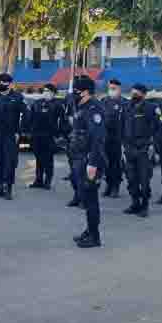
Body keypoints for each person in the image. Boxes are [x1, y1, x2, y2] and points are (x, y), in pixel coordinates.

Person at [69, 75, 107, 248]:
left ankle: (95, 236)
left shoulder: (94, 109)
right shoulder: (81, 106)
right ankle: (90, 230)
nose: (73, 94)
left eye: (76, 91)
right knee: (85, 197)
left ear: (85, 92)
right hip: (79, 157)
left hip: (89, 160)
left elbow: (98, 139)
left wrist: (93, 164)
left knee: (91, 199)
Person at [121, 84, 162, 218]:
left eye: (137, 93)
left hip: (145, 148)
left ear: (144, 95)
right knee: (131, 179)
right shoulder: (126, 107)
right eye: (133, 92)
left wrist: (153, 145)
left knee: (144, 180)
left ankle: (144, 206)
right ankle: (135, 203)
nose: (134, 95)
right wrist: (121, 146)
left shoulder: (152, 108)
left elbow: (161, 128)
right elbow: (120, 128)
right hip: (129, 148)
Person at [0, 73, 27, 200]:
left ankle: (8, 188)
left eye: (5, 83)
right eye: (1, 82)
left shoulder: (17, 97)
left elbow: (26, 115)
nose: (2, 84)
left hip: (10, 135)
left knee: (9, 163)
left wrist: (19, 132)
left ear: (10, 84)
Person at [26, 83, 64, 190]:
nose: (46, 93)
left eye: (48, 91)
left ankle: (48, 181)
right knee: (38, 159)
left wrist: (60, 135)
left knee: (48, 159)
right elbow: (30, 118)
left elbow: (62, 121)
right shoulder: (37, 103)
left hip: (50, 135)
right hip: (37, 135)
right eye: (45, 91)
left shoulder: (58, 105)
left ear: (53, 93)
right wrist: (29, 132)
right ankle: (38, 180)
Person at [102, 79, 127, 198]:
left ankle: (115, 186)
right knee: (106, 163)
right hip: (106, 137)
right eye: (110, 88)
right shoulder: (104, 101)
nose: (111, 90)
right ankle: (108, 184)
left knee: (116, 164)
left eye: (114, 88)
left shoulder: (124, 103)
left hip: (118, 139)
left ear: (119, 89)